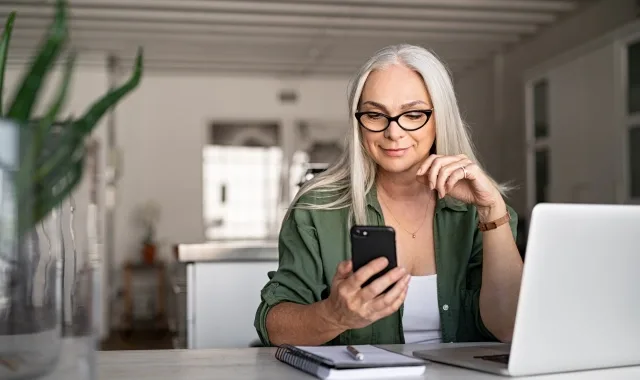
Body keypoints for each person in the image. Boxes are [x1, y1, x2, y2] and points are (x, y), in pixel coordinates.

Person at [254, 44, 523, 347]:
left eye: (413, 114)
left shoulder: (484, 212)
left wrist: (492, 212)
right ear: (359, 123)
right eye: (375, 114)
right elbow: (274, 326)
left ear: (440, 118)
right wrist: (333, 315)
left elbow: (510, 327)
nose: (393, 132)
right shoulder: (317, 208)